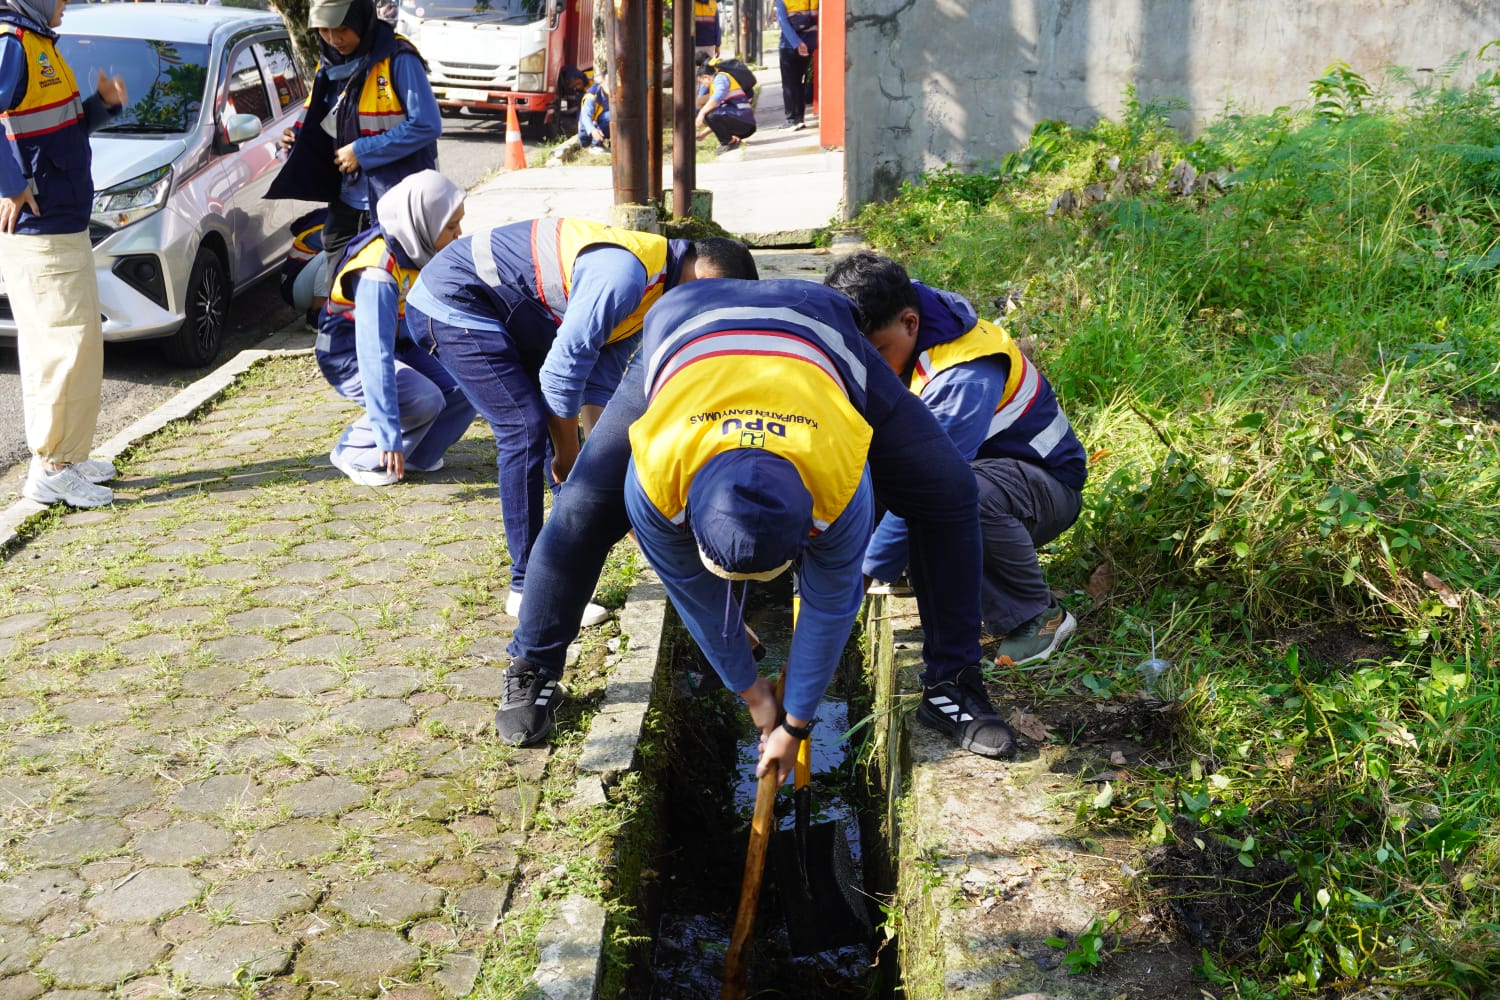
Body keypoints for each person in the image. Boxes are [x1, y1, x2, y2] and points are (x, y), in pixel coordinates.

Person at [496, 278, 1020, 765]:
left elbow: (831, 600)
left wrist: (796, 720)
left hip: (818, 332)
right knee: (582, 509)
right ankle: (532, 666)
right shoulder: (654, 479)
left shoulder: (839, 481)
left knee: (950, 490)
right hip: (687, 332)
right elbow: (694, 593)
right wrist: (748, 689)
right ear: (686, 519)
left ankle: (954, 684)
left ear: (811, 527)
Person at [402, 219, 757, 625]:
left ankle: (556, 579)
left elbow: (596, 383)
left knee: (569, 446)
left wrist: (594, 464)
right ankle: (525, 590)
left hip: (509, 311)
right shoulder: (623, 276)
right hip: (454, 299)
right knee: (524, 427)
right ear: (706, 279)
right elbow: (561, 371)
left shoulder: (652, 296)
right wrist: (572, 457)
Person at [826, 251, 1086, 666]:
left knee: (963, 497)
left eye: (876, 352)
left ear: (910, 323)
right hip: (984, 472)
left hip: (1042, 489)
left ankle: (1038, 614)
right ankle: (920, 564)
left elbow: (932, 484)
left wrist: (864, 573)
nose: (868, 366)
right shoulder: (906, 332)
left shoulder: (962, 376)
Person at [1, 0, 126, 508]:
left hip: (61, 218)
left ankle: (67, 458)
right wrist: (10, 187)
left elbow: (58, 132)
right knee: (63, 348)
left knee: (75, 344)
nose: (67, 2)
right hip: (42, 226)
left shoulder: (38, 43)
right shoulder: (13, 42)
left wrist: (104, 106)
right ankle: (52, 468)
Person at [266, 0, 440, 295]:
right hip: (347, 202)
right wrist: (294, 139)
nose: (334, 39)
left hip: (395, 203)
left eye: (343, 29)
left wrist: (363, 151)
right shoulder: (330, 64)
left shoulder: (398, 59)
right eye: (324, 30)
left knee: (394, 293)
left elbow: (427, 124)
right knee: (340, 293)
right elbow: (316, 117)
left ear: (362, 20)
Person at [316, 170, 474, 488]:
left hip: (402, 344)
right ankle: (356, 452)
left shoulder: (421, 246)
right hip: (349, 354)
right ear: (423, 221)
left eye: (459, 222)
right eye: (451, 226)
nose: (459, 233)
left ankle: (416, 455)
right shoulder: (378, 271)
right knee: (423, 397)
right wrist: (387, 432)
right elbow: (374, 356)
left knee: (467, 386)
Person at [279, 207, 330, 330]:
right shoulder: (325, 230)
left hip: (299, 284)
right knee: (333, 255)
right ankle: (317, 316)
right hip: (294, 289)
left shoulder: (328, 215)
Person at [695, 58, 755, 153]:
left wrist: (701, 113)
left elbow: (717, 99)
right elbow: (720, 119)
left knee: (708, 113)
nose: (704, 85)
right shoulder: (716, 82)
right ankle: (731, 139)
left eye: (702, 82)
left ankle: (729, 142)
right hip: (743, 122)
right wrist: (703, 134)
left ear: (706, 77)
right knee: (710, 114)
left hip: (744, 123)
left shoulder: (720, 78)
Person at [773, 0, 816, 131]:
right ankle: (799, 119)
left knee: (789, 83)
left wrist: (796, 43)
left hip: (789, 45)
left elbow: (783, 23)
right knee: (799, 82)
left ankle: (791, 119)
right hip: (809, 43)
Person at [578, 77, 609, 149]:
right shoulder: (591, 96)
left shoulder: (616, 93)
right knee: (610, 116)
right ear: (602, 83)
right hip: (587, 132)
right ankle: (594, 145)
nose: (611, 85)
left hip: (600, 125)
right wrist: (592, 130)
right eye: (608, 83)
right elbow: (586, 116)